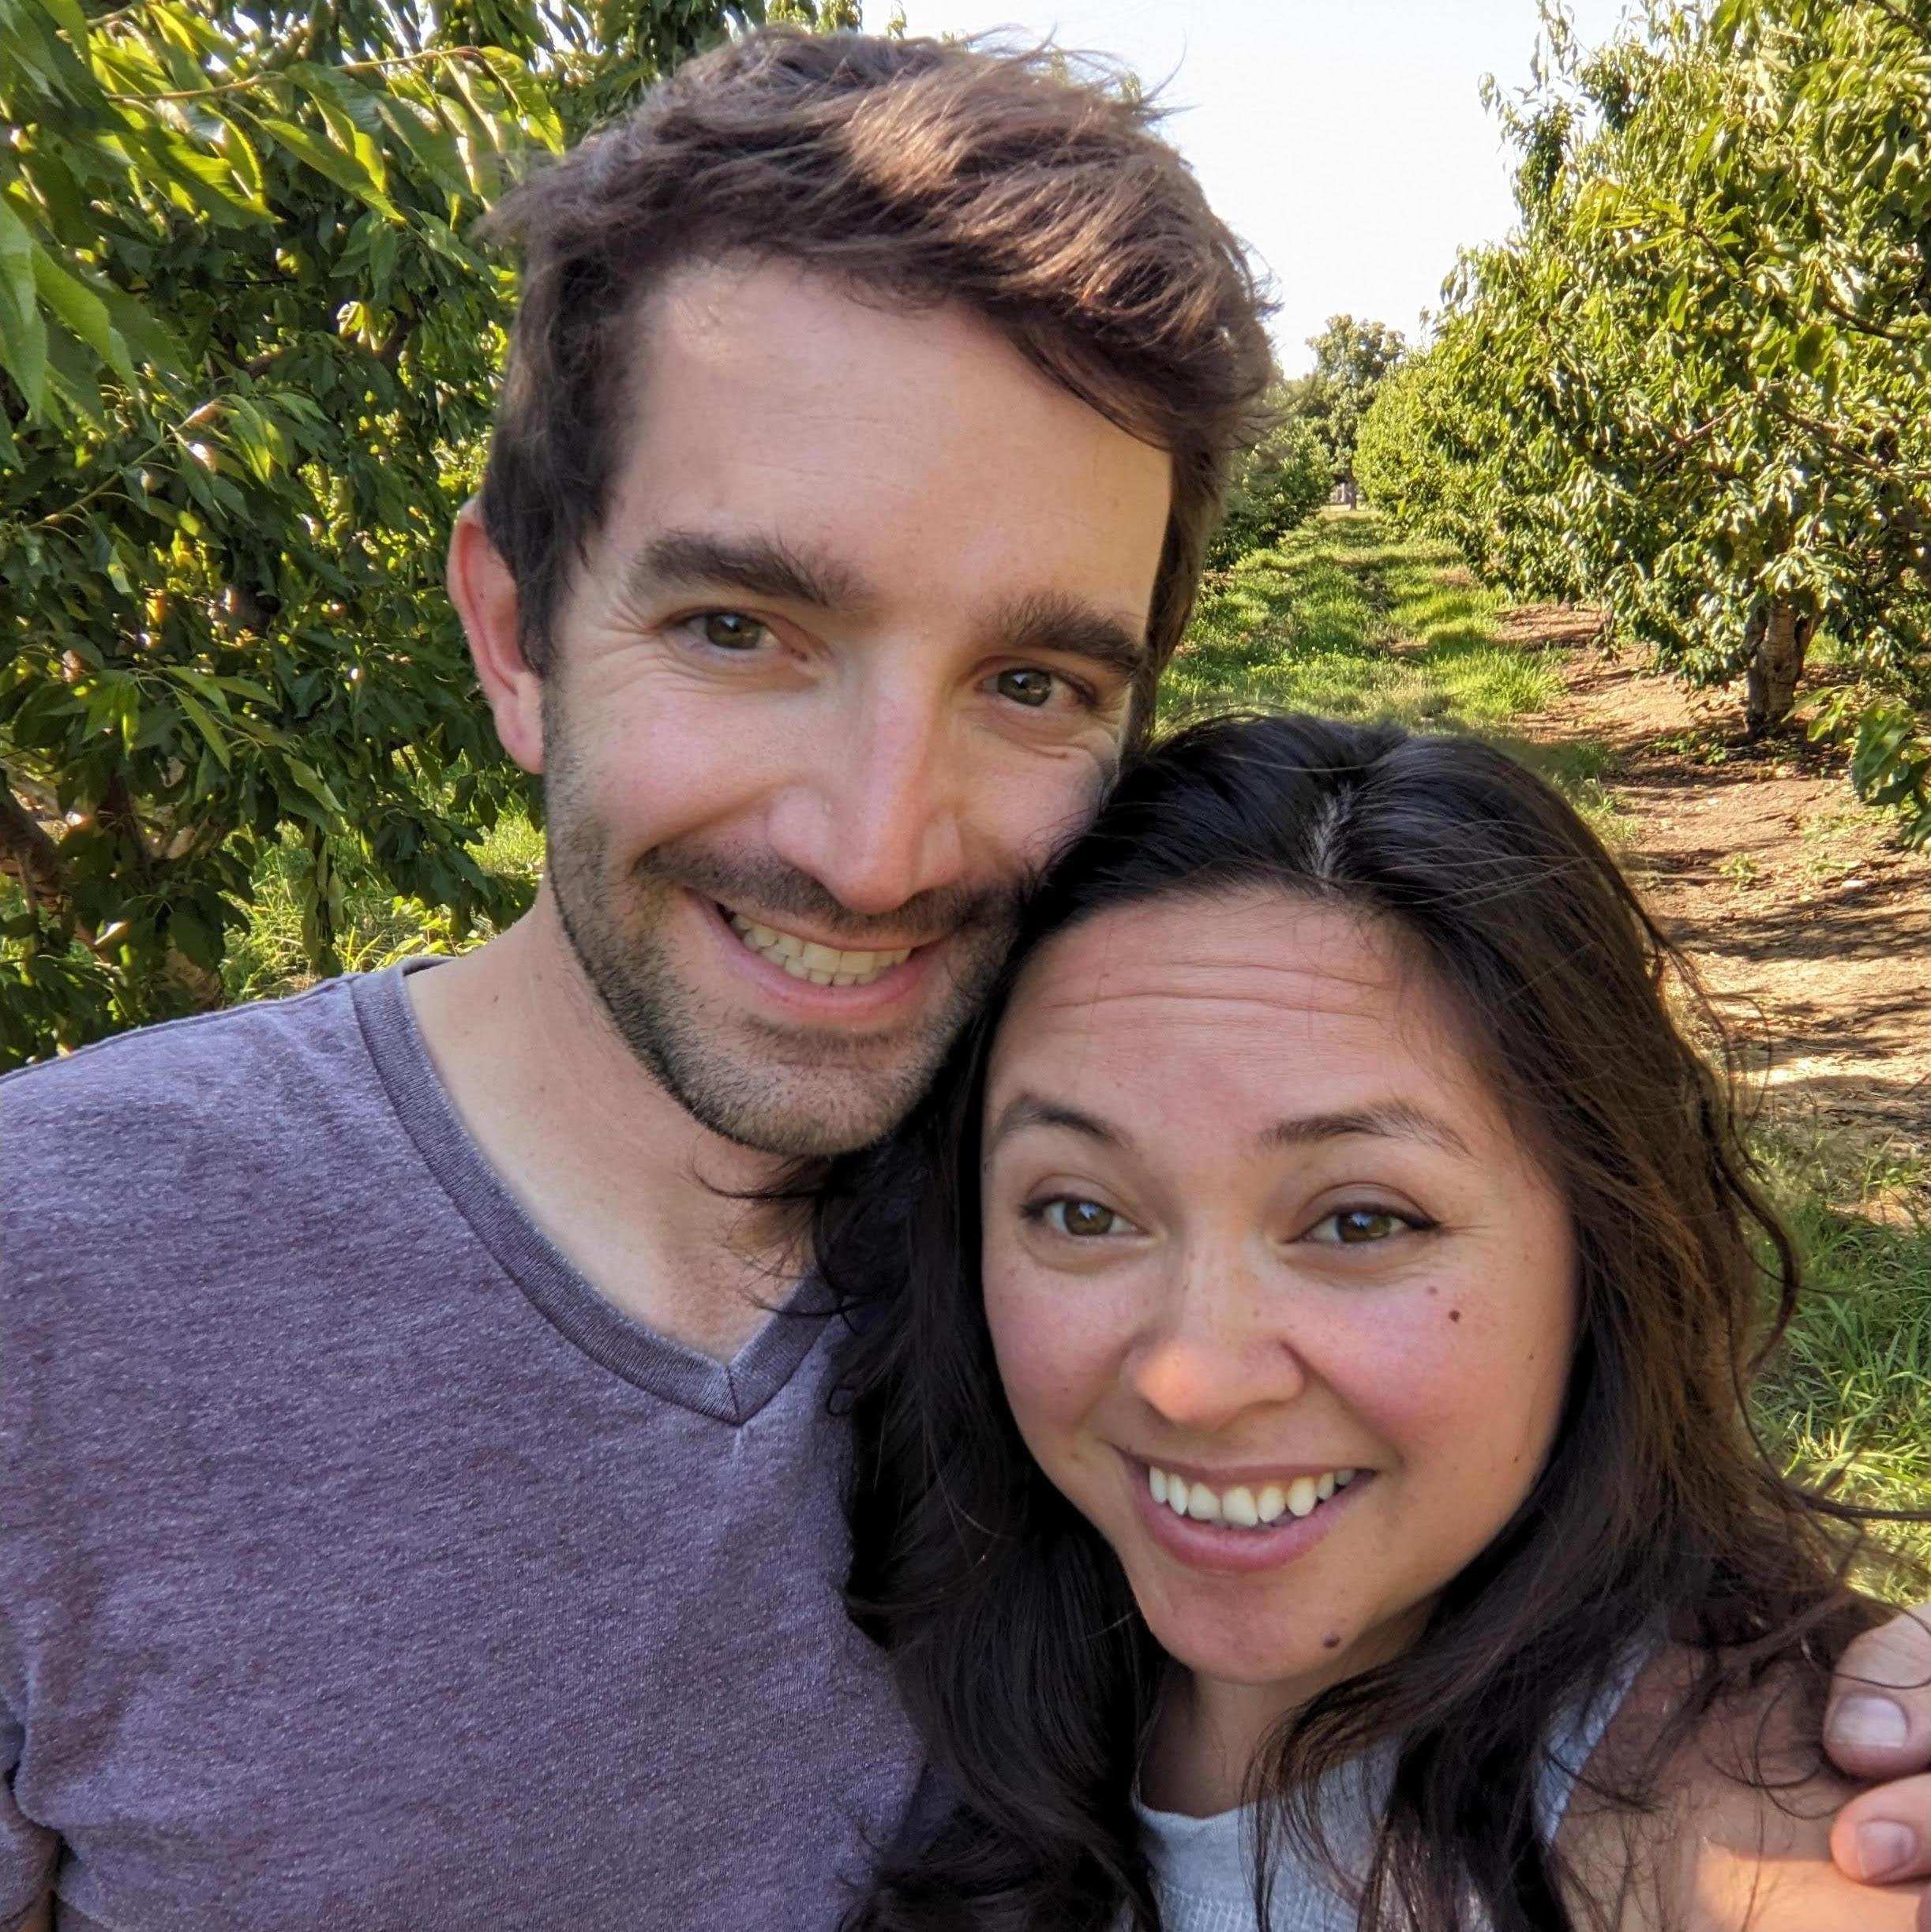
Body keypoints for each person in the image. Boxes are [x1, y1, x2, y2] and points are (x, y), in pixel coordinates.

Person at [1, 26, 1929, 1932]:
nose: (876, 849)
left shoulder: (1125, 1173)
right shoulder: (60, 1279)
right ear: (514, 634)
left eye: (1029, 681)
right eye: (739, 628)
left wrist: (1819, 1725)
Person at [820, 712, 1931, 1932]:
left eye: (1357, 1222)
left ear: (1601, 1251)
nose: (1194, 1379)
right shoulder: (898, 1645)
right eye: (1082, 1211)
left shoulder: (1768, 1841)